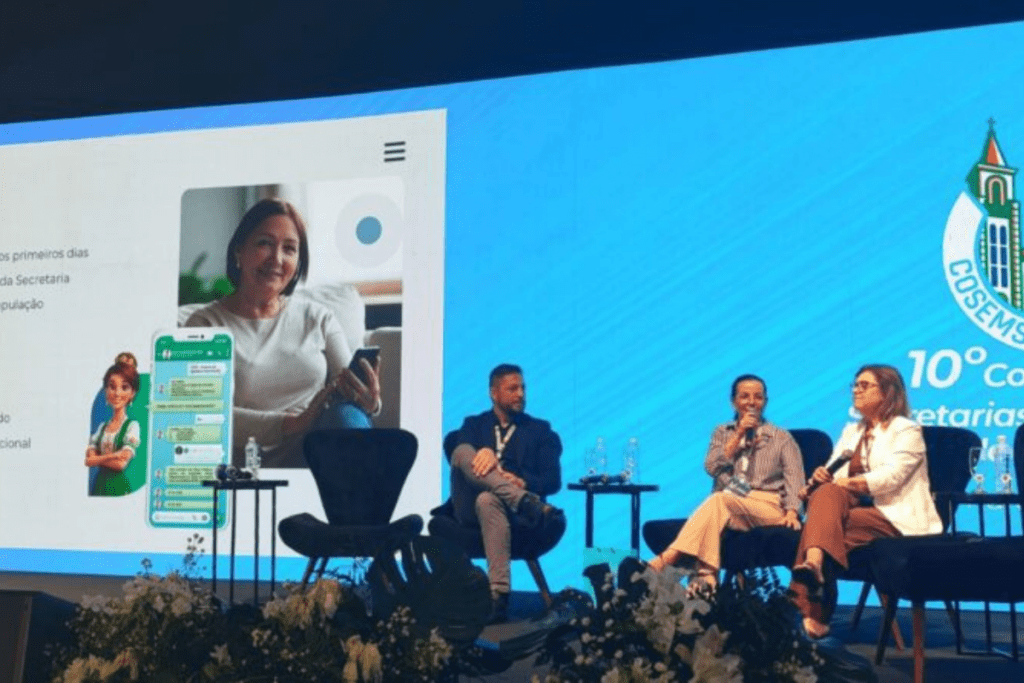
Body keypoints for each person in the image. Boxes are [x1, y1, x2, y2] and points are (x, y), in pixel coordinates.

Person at [186, 198, 381, 468]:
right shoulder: (205, 324)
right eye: (264, 243)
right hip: (245, 461)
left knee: (346, 413)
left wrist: (368, 402)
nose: (277, 259)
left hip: (316, 452)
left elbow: (346, 390)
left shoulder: (318, 317)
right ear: (239, 252)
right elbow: (204, 415)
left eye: (289, 249)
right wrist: (291, 423)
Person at [789, 364, 942, 639]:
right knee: (826, 501)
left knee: (817, 531)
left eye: (864, 385)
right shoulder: (852, 431)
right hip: (854, 513)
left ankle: (813, 608)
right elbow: (837, 479)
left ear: (888, 392)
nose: (856, 391)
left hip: (894, 516)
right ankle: (813, 568)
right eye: (855, 385)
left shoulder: (906, 430)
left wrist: (841, 483)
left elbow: (892, 477)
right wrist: (823, 476)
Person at [648, 374, 805, 593]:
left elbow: (795, 479)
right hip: (729, 503)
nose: (751, 402)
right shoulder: (722, 432)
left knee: (718, 500)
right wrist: (739, 434)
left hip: (768, 506)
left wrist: (792, 511)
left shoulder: (782, 438)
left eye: (758, 397)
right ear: (733, 401)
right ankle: (707, 580)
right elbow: (712, 467)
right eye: (745, 396)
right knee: (718, 505)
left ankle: (669, 557)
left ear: (765, 402)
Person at [450, 363, 563, 622]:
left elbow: (553, 480)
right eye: (512, 388)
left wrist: (523, 483)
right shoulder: (473, 424)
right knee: (462, 452)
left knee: (488, 499)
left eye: (522, 387)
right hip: (469, 508)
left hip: (512, 513)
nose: (520, 394)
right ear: (494, 393)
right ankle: (523, 501)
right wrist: (485, 453)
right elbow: (459, 458)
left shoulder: (540, 430)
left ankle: (498, 597)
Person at [86, 352, 144, 496]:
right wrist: (114, 455)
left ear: (132, 393)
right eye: (112, 387)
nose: (117, 393)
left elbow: (121, 464)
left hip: (118, 487)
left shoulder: (132, 426)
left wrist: (97, 459)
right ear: (106, 390)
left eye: (124, 387)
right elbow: (88, 460)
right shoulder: (102, 428)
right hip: (99, 485)